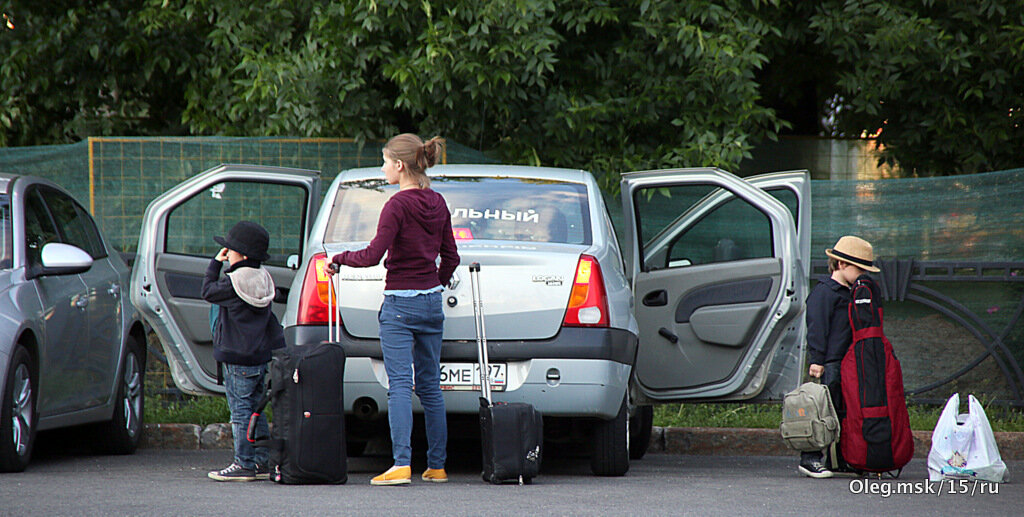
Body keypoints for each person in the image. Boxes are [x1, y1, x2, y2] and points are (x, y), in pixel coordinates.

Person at [328, 134, 460, 486]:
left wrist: (338, 260)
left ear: (400, 165)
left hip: (400, 304)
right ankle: (437, 466)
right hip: (432, 303)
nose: (383, 168)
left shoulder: (397, 205)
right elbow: (452, 257)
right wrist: (435, 284)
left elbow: (372, 255)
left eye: (385, 161)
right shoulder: (438, 202)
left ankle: (401, 463)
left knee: (400, 384)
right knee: (431, 387)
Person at [202, 220, 285, 482]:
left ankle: (243, 463)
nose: (227, 253)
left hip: (237, 360)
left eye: (230, 250)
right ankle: (260, 460)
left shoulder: (233, 283)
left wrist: (215, 263)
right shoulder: (262, 278)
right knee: (254, 408)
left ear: (243, 255)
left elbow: (206, 291)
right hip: (259, 358)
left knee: (240, 411)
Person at [798, 235, 880, 479]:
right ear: (842, 264)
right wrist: (817, 359)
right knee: (821, 410)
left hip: (847, 361)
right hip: (828, 362)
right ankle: (810, 458)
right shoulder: (825, 292)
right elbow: (817, 327)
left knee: (843, 412)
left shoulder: (852, 292)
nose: (863, 275)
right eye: (859, 269)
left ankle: (840, 459)